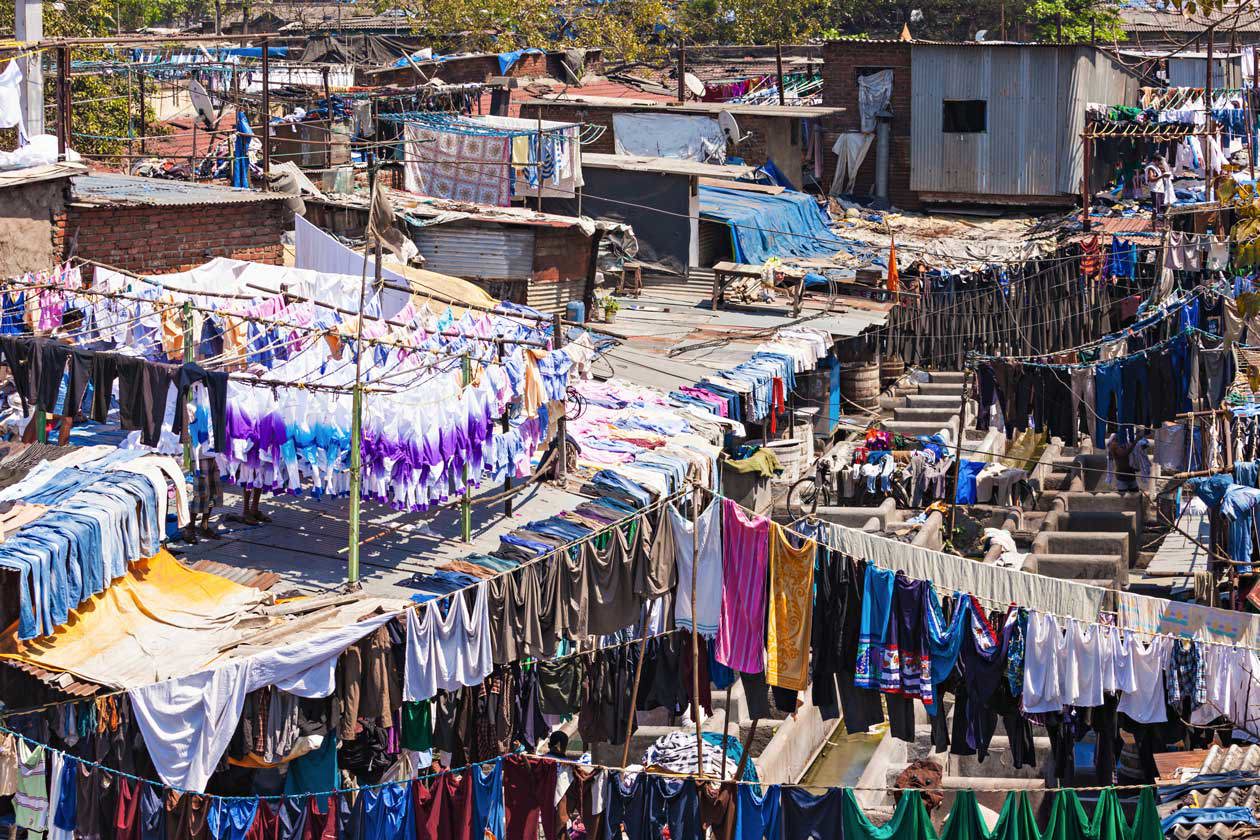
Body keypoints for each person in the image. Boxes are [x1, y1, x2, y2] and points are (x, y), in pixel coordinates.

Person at [23, 308, 87, 446]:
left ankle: (35, 441)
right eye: (79, 322)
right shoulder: (68, 339)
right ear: (73, 321)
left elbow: (38, 342)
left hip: (47, 376)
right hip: (60, 379)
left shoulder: (52, 331)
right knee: (65, 417)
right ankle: (60, 446)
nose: (80, 325)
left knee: (43, 415)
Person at [1145, 153, 1175, 220]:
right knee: (1155, 210)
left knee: (1162, 207)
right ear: (1154, 160)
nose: (1159, 163)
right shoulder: (1151, 168)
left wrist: (1163, 172)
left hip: (1160, 190)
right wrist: (1162, 176)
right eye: (1158, 162)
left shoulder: (1156, 167)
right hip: (1155, 191)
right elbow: (1151, 179)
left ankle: (1162, 224)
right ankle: (1154, 228)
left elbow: (1161, 172)